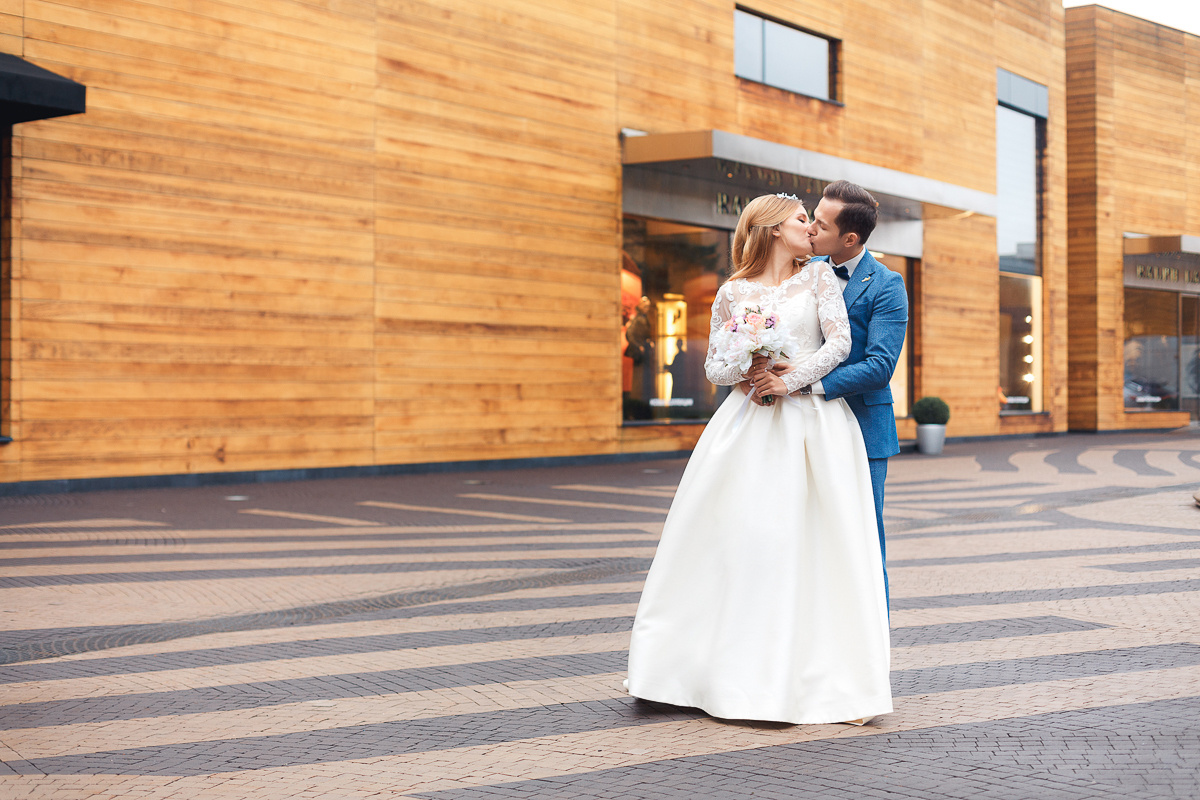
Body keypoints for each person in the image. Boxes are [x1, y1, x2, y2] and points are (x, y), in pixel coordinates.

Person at [624, 193, 892, 726]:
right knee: (736, 540)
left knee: (814, 542)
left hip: (813, 427)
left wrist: (788, 380)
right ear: (771, 229)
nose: (811, 230)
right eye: (802, 220)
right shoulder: (732, 291)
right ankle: (698, 671)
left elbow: (840, 345)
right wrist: (749, 370)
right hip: (747, 427)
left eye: (815, 222)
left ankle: (823, 677)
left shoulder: (818, 279)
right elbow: (715, 367)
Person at [776, 180, 909, 606]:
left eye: (820, 223)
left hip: (863, 430)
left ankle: (873, 653)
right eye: (811, 218)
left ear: (849, 238)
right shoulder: (797, 274)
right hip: (802, 428)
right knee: (805, 538)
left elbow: (880, 367)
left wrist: (804, 383)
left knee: (864, 542)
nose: (810, 228)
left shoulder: (887, 285)